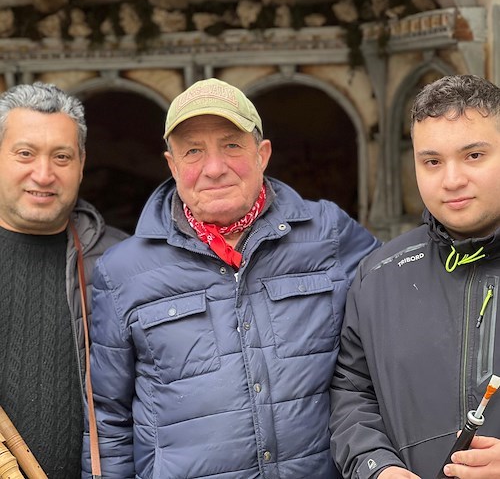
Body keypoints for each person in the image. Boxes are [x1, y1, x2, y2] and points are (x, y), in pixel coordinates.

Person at [83, 77, 380, 478]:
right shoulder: (122, 272)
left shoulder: (329, 233)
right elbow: (107, 420)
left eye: (231, 145)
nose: (214, 168)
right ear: (171, 164)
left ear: (263, 154)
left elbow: (401, 323)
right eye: (193, 151)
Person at [330, 74, 500, 478]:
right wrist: (377, 467)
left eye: (474, 155)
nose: (452, 180)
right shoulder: (378, 275)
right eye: (432, 162)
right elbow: (352, 394)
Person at [0, 82, 127, 478]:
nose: (44, 173)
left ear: (82, 163)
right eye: (25, 153)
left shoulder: (124, 262)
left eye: (61, 156)